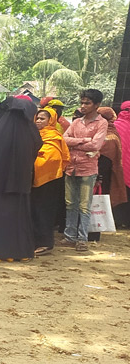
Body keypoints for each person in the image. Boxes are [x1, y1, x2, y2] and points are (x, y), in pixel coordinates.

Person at [0, 97, 40, 261]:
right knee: (18, 217)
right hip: (20, 182)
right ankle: (18, 252)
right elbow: (37, 148)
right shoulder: (31, 133)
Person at [61, 89, 107, 251]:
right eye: (82, 103)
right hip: (71, 168)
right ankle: (69, 236)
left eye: (87, 103)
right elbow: (64, 139)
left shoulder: (101, 123)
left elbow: (96, 145)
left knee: (84, 205)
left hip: (88, 169)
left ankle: (82, 239)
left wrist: (75, 143)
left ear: (97, 105)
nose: (83, 106)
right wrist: (85, 140)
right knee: (70, 204)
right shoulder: (76, 122)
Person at [31, 107, 70, 255]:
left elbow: (53, 159)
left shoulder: (54, 137)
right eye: (38, 118)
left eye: (42, 119)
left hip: (50, 180)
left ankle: (45, 243)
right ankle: (35, 241)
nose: (39, 121)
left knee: (44, 212)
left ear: (51, 120)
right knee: (35, 210)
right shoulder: (35, 134)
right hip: (35, 179)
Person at [88, 106, 127, 241]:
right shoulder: (111, 133)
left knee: (95, 202)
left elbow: (104, 157)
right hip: (98, 172)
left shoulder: (109, 136)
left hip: (100, 175)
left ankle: (93, 233)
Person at [115, 101, 130, 226]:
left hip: (119, 165)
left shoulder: (115, 125)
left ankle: (117, 220)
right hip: (127, 164)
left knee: (118, 190)